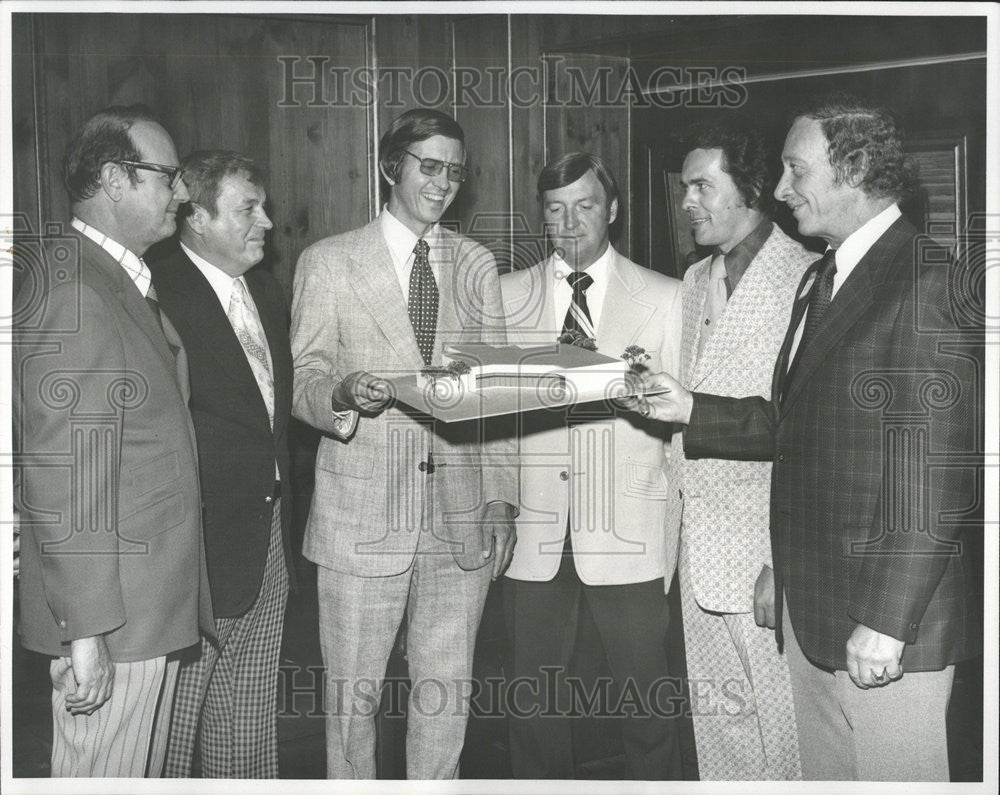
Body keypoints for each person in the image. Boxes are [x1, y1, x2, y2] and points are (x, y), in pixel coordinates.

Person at [630, 95, 981, 781]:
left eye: (796, 169)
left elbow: (932, 472)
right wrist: (688, 407)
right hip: (815, 614)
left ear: (851, 171)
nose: (782, 190)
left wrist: (886, 621)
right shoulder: (825, 276)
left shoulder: (926, 277)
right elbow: (789, 426)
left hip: (884, 627)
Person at [289, 108, 518, 779]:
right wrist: (341, 392)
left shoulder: (475, 263)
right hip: (360, 519)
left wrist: (500, 499)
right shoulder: (329, 261)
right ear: (393, 166)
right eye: (429, 165)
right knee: (352, 705)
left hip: (459, 517)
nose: (443, 182)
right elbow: (305, 378)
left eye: (454, 169)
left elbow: (498, 392)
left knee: (446, 701)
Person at [13, 105, 214, 777]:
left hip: (139, 603)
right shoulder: (77, 289)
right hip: (115, 615)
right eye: (168, 176)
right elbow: (68, 474)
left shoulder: (106, 277)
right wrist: (87, 632)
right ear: (113, 180)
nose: (181, 194)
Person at [500, 152, 684, 779]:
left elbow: (682, 426)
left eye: (584, 206)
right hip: (533, 535)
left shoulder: (667, 298)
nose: (570, 222)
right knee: (534, 706)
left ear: (612, 210)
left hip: (632, 530)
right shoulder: (505, 297)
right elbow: (488, 419)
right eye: (555, 209)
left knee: (645, 703)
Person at [674, 120, 812, 780]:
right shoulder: (695, 280)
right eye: (683, 188)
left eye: (702, 185)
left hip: (764, 559)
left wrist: (782, 560)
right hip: (696, 557)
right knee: (721, 737)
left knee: (784, 740)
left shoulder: (808, 279)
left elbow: (803, 428)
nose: (686, 202)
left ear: (752, 187)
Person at [149, 150, 293, 778]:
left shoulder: (262, 288)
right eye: (248, 209)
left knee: (247, 732)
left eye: (264, 206)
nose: (267, 221)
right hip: (194, 558)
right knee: (171, 744)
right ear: (197, 218)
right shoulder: (155, 290)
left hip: (268, 543)